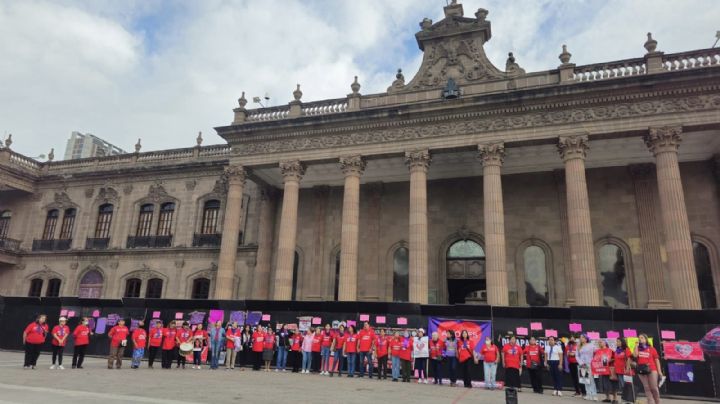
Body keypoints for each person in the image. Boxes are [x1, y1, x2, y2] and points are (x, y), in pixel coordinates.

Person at [633, 333, 662, 404]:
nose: (640, 339)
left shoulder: (652, 349)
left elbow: (656, 360)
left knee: (654, 387)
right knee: (646, 387)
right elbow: (635, 355)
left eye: (642, 338)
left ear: (646, 339)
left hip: (652, 369)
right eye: (639, 338)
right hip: (641, 369)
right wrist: (636, 346)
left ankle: (657, 401)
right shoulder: (637, 348)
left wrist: (659, 371)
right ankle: (650, 402)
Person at [577, 334, 598, 401]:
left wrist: (594, 360)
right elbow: (577, 356)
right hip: (582, 365)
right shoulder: (579, 346)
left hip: (590, 364)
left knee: (591, 380)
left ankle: (594, 395)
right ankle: (588, 394)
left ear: (586, 339)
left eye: (582, 337)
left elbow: (597, 352)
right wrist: (581, 363)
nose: (581, 339)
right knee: (585, 379)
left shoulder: (591, 345)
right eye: (580, 338)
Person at [613, 338, 632, 404]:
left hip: (624, 370)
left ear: (622, 342)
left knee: (626, 385)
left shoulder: (626, 349)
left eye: (618, 341)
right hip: (618, 370)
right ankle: (624, 399)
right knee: (622, 385)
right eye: (616, 341)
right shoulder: (617, 350)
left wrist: (627, 368)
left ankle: (629, 400)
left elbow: (629, 358)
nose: (617, 343)